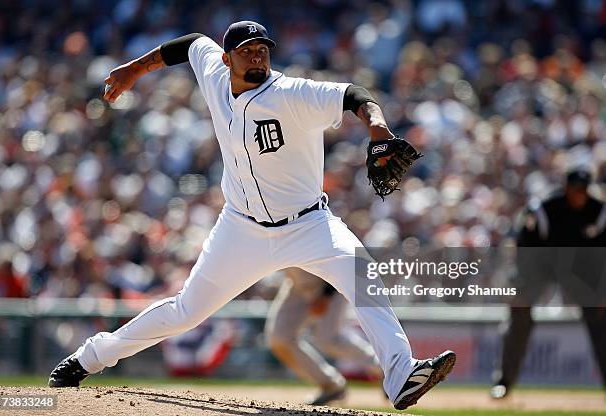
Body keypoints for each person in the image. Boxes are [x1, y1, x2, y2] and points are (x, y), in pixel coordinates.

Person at [48, 20, 455, 410]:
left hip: (309, 223)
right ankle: (89, 358)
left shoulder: (292, 92)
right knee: (185, 311)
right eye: (248, 52)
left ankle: (401, 375)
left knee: (362, 275)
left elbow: (354, 94)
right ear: (227, 60)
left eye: (263, 51)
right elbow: (190, 43)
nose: (258, 58)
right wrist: (135, 69)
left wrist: (378, 126)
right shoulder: (212, 71)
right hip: (240, 229)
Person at [491, 168, 606, 399]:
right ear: (566, 189)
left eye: (584, 191)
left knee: (601, 318)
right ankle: (505, 381)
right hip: (541, 266)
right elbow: (524, 252)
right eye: (575, 191)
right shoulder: (544, 209)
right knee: (519, 311)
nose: (580, 196)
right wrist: (520, 287)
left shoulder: (599, 212)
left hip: (581, 269)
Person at [266, 268, 382, 406]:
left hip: (331, 281)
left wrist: (326, 295)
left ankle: (386, 368)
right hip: (296, 284)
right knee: (279, 338)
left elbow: (340, 256)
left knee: (329, 340)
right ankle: (331, 386)